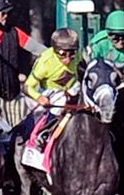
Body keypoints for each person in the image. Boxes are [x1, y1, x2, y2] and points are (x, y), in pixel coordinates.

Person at [0, 0, 45, 136]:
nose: (6, 16)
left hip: (14, 97)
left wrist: (55, 55)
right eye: (2, 13)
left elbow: (39, 50)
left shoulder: (14, 33)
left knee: (28, 132)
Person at [20, 28, 82, 169]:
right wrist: (40, 97)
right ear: (55, 50)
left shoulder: (78, 56)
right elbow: (27, 86)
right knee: (59, 99)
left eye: (71, 54)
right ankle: (43, 135)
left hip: (73, 92)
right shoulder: (45, 62)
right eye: (62, 55)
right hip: (51, 96)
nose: (67, 59)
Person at [87, 10, 124, 76]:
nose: (120, 42)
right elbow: (91, 68)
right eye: (115, 38)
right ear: (108, 35)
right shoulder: (98, 44)